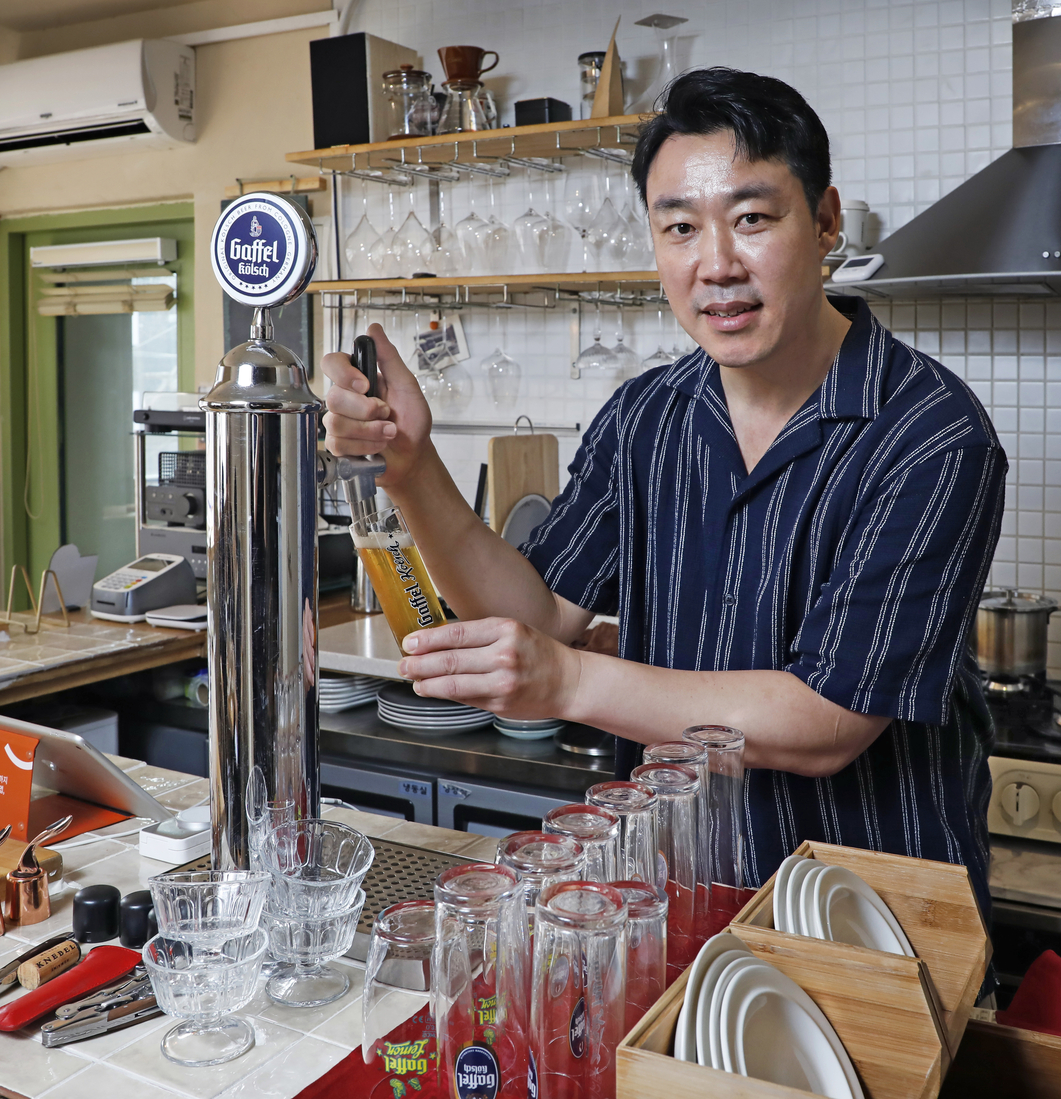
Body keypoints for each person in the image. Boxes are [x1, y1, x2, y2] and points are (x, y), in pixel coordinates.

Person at [321, 68, 1007, 916]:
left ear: (825, 220)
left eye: (752, 219)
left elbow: (829, 718)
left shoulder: (930, 434)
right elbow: (538, 613)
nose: (715, 264)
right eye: (679, 227)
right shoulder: (647, 415)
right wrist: (411, 466)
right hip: (669, 901)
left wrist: (568, 682)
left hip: (866, 921)